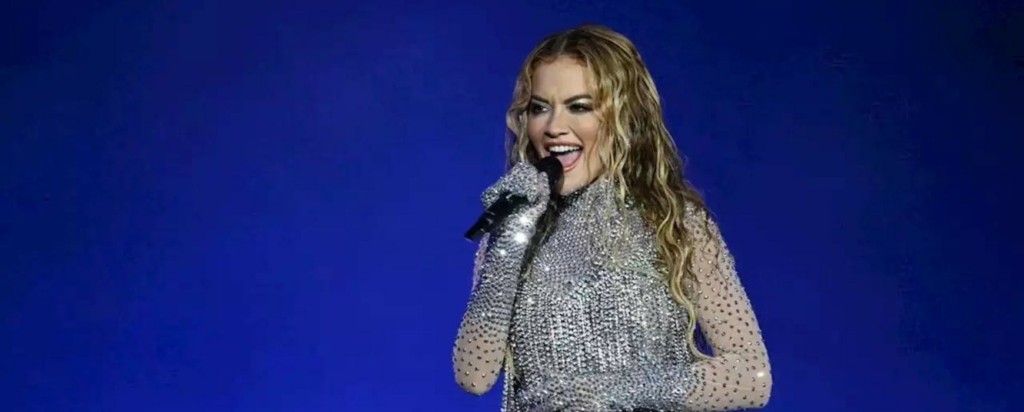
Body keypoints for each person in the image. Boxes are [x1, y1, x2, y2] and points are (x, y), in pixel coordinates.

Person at [452, 24, 772, 412]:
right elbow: (474, 376)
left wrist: (609, 392)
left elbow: (751, 377)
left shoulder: (675, 222)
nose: (553, 127)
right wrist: (512, 233)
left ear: (624, 116)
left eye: (579, 106)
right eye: (539, 108)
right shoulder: (513, 234)